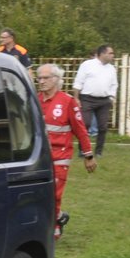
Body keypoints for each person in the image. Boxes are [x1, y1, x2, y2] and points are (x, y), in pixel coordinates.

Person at [34, 63, 95, 238]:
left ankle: (54, 231)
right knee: (39, 194)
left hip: (60, 156)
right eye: (39, 78)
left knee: (54, 194)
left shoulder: (67, 101)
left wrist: (88, 155)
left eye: (46, 78)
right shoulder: (35, 99)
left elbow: (80, 130)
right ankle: (59, 217)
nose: (42, 81)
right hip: (39, 157)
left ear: (56, 79)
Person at [72, 44, 118, 156]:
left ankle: (98, 152)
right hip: (87, 99)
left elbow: (114, 84)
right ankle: (83, 150)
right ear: (102, 54)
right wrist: (76, 98)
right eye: (110, 53)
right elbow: (78, 81)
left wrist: (111, 97)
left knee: (102, 127)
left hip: (104, 101)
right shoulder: (87, 65)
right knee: (85, 124)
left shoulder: (111, 69)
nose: (113, 55)